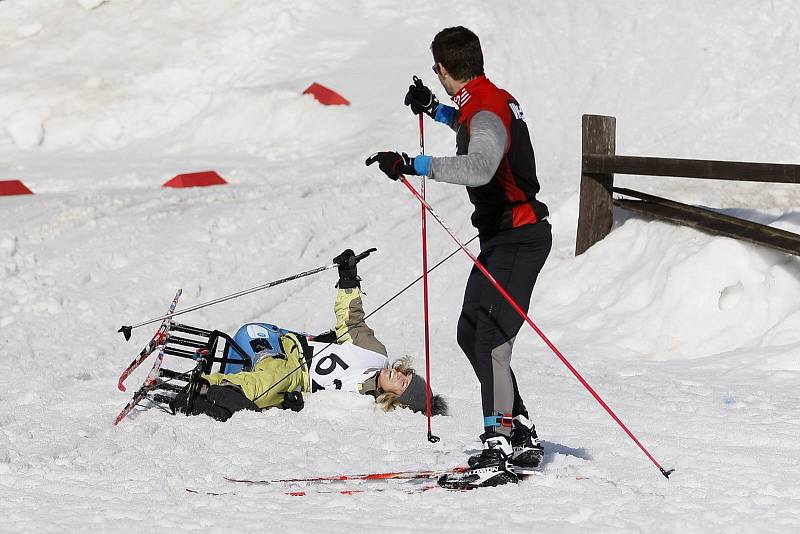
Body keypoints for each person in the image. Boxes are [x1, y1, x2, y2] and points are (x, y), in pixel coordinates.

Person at [366, 26, 551, 487]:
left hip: (519, 236)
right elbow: (472, 126)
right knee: (470, 331)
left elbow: (480, 164)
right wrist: (435, 110)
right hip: (503, 238)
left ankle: (497, 445)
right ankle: (519, 427)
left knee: (491, 337)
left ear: (445, 68)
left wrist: (414, 164)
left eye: (437, 70)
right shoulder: (483, 98)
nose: (437, 75)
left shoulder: (486, 109)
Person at [171, 249, 447, 422]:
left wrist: (301, 403)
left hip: (295, 384)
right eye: (407, 376)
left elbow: (324, 405)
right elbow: (351, 318)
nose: (400, 376)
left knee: (272, 398)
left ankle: (213, 395)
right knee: (271, 380)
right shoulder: (373, 352)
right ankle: (201, 389)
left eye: (402, 386)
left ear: (393, 400)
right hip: (291, 352)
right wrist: (349, 280)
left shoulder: (363, 404)